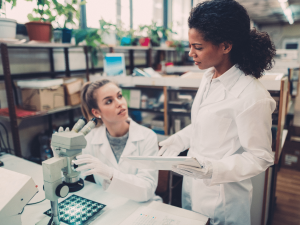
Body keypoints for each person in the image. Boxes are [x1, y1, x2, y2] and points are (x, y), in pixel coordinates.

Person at [158, 0, 276, 224]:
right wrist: (177, 141)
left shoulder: (252, 96)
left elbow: (260, 157)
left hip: (224, 202)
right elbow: (205, 125)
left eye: (198, 47)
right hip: (193, 188)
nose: (191, 53)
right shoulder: (209, 76)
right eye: (190, 45)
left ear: (225, 46)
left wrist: (212, 169)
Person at [71, 79, 161, 202]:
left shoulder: (147, 137)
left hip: (141, 206)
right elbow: (75, 177)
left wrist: (110, 174)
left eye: (119, 96)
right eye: (109, 101)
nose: (120, 103)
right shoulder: (90, 139)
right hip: (108, 205)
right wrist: (63, 155)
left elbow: (147, 190)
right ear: (96, 112)